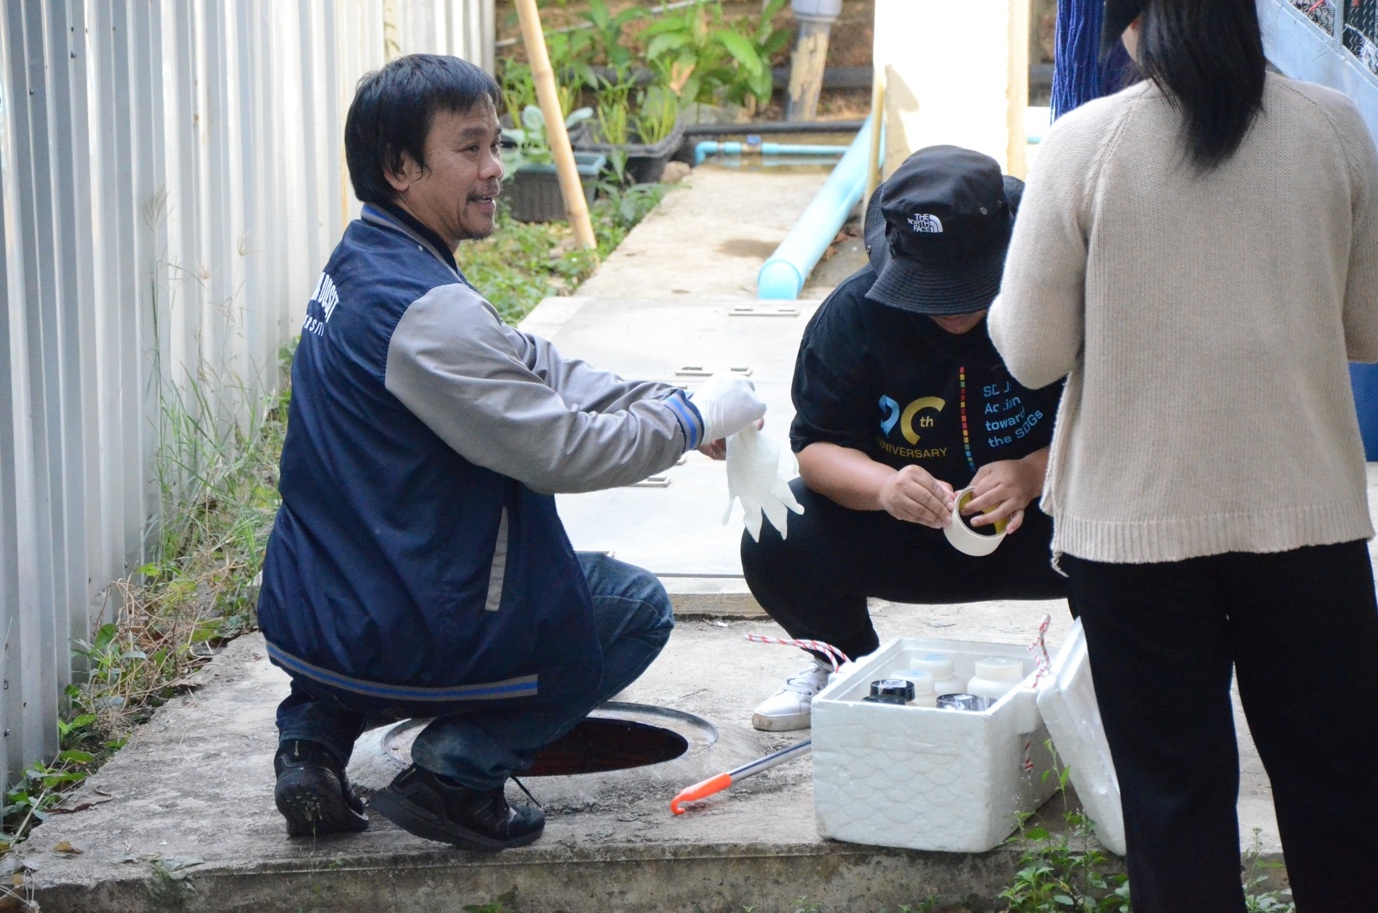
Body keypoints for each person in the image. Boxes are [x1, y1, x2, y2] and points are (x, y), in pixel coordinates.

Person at [256, 54, 765, 850]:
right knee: (630, 610)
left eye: (497, 143)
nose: (496, 169)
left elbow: (530, 363)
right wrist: (687, 426)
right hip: (401, 615)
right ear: (399, 166)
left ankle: (310, 742)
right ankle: (457, 773)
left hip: (312, 607)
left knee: (369, 570)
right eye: (470, 149)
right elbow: (562, 450)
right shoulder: (427, 313)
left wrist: (671, 403)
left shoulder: (364, 261)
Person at [989, 1, 1378, 910]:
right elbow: (1369, 326)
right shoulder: (1334, 128)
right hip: (1307, 522)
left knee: (1174, 802)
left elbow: (1033, 351)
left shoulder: (1086, 143)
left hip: (1133, 535)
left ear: (1126, 28)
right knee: (1341, 794)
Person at [741, 145, 1066, 732]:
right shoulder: (854, 315)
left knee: (1132, 512)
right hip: (910, 529)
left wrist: (1033, 471)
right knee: (776, 527)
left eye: (968, 286)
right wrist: (887, 487)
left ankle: (1109, 668)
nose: (952, 309)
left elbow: (1122, 421)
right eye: (932, 290)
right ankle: (844, 664)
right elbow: (817, 447)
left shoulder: (1058, 296)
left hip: (1045, 526)